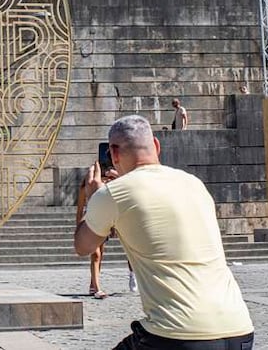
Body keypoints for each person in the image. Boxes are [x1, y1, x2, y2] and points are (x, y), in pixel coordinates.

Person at [75, 115, 254, 349]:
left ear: (114, 153)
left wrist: (92, 199)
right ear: (156, 146)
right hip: (239, 328)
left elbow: (83, 246)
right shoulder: (193, 184)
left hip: (176, 334)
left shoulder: (113, 194)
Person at [77, 165, 120, 299]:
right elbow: (79, 210)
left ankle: (92, 284)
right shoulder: (85, 188)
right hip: (89, 223)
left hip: (103, 222)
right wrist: (78, 228)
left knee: (99, 255)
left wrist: (113, 226)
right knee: (95, 255)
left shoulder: (107, 187)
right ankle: (97, 288)